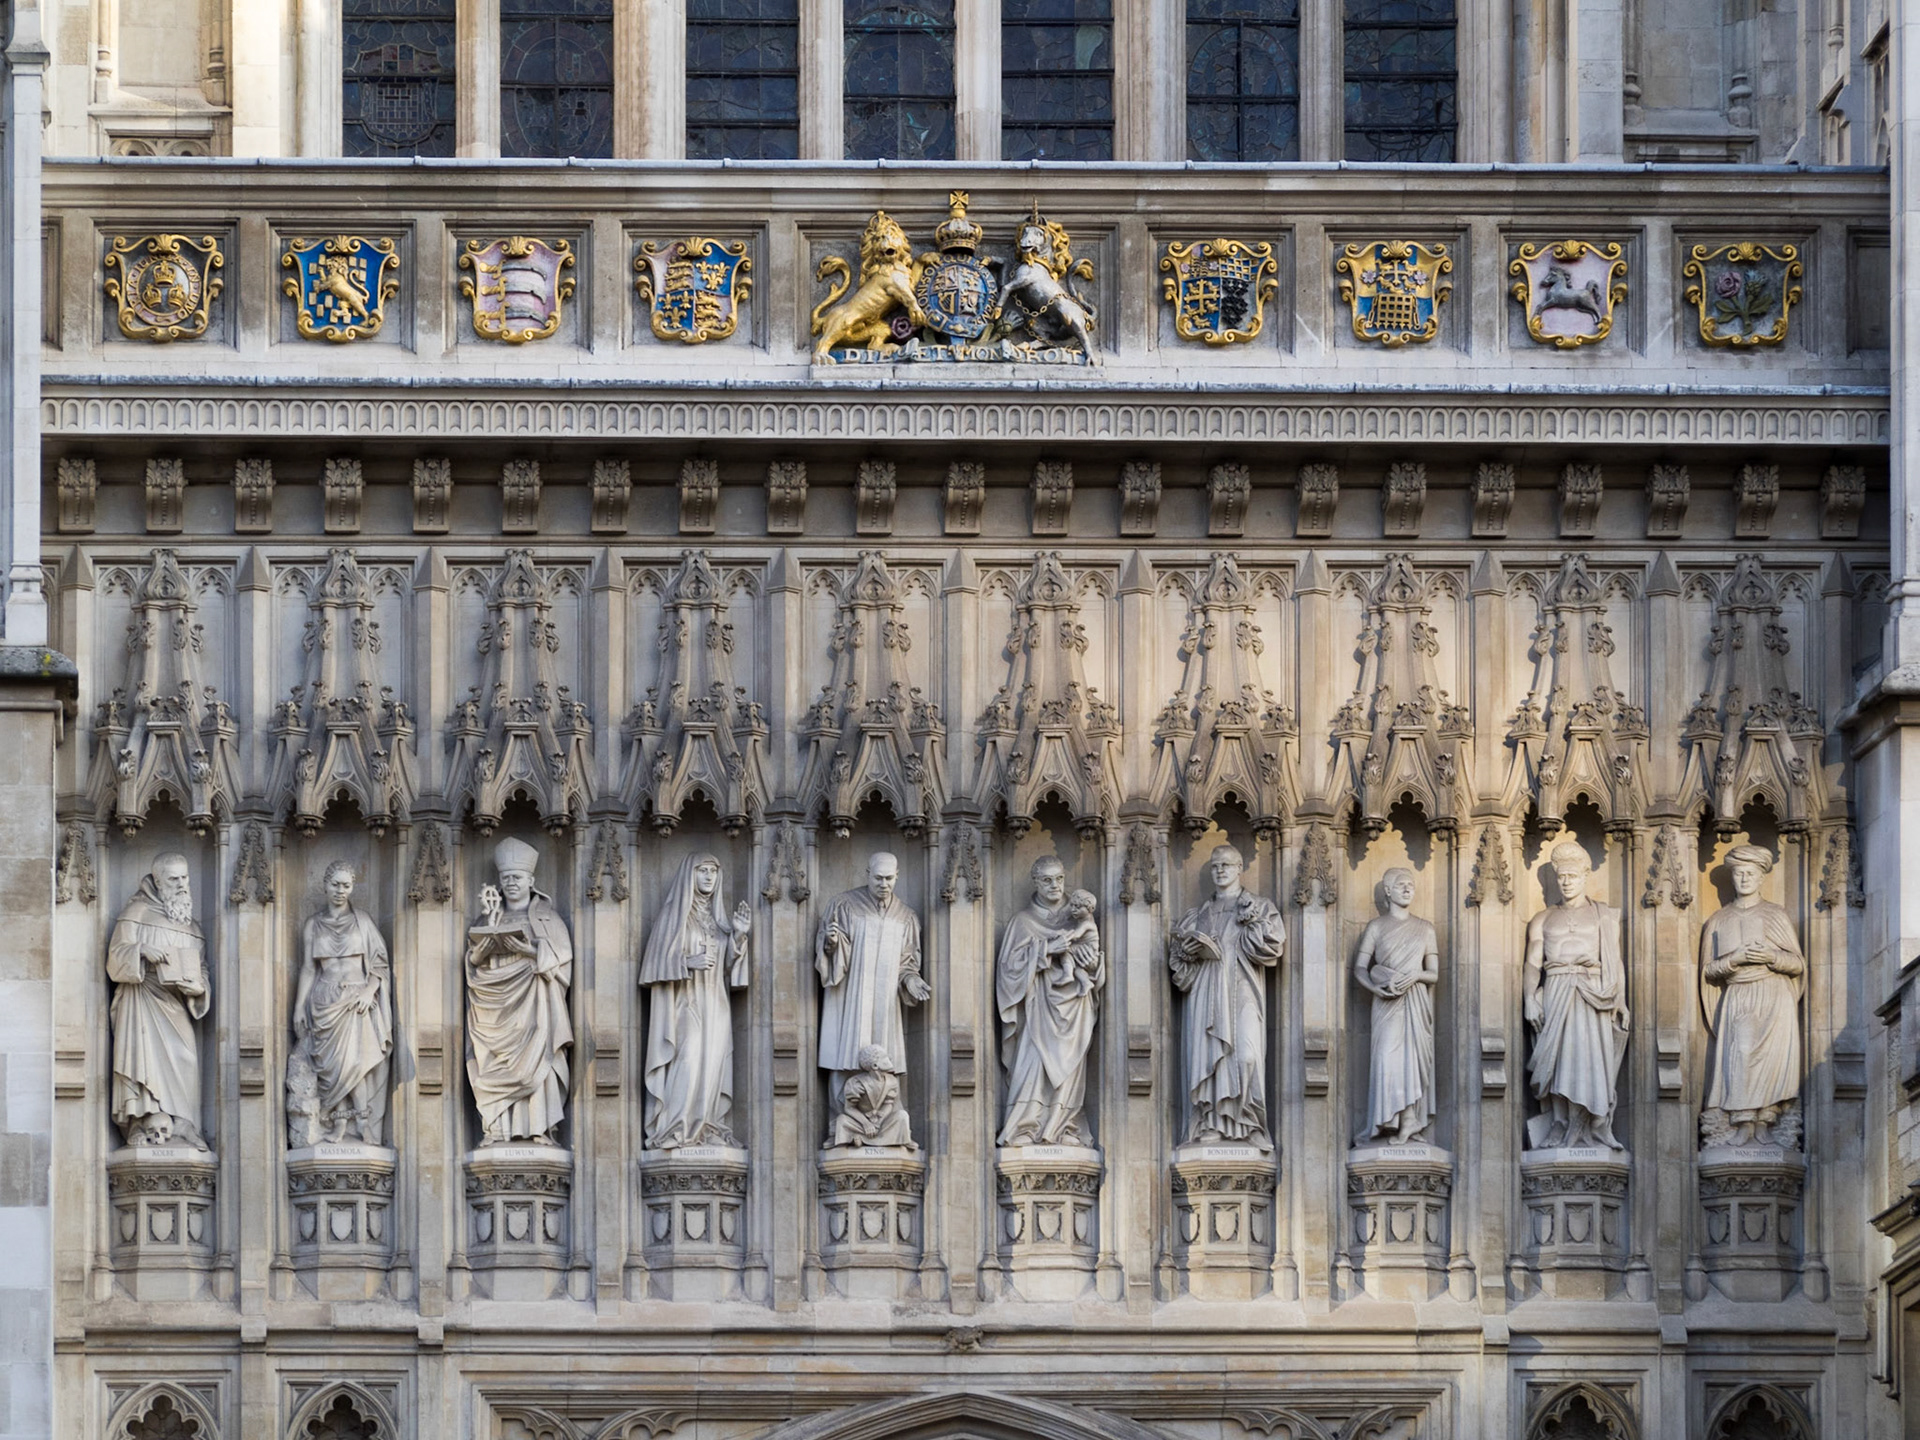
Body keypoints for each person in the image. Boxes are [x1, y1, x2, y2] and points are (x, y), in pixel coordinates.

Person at [1168, 844, 1285, 1147]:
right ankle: (1212, 1124)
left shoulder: (1258, 906)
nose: (1220, 870)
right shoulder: (1198, 914)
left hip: (1242, 990)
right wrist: (1188, 952)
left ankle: (1249, 1124)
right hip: (1207, 995)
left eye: (1226, 865)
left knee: (1246, 1056)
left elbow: (1273, 947)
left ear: (1239, 868)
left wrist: (1253, 926)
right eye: (1215, 865)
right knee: (1210, 1060)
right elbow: (1180, 971)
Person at [464, 837, 574, 1146]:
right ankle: (497, 1129)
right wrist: (480, 952)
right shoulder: (485, 919)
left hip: (534, 1009)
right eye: (505, 878)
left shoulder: (548, 919)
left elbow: (562, 964)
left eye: (517, 877)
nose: (511, 883)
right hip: (493, 1009)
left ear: (531, 880)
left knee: (536, 1063)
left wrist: (528, 950)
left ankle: (538, 1127)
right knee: (493, 1062)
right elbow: (472, 965)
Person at [639, 853, 751, 1150]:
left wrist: (738, 937)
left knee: (712, 1064)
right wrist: (688, 962)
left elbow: (729, 969)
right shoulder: (673, 916)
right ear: (690, 874)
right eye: (702, 870)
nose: (709, 877)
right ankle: (676, 1127)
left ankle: (706, 1126)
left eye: (714, 871)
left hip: (715, 1002)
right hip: (684, 1003)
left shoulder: (717, 919)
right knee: (687, 1059)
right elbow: (654, 965)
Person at [1523, 840, 1629, 1149]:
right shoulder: (1542, 919)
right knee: (1555, 1060)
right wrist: (1530, 997)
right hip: (1555, 988)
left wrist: (1619, 1000)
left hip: (1592, 992)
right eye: (1562, 877)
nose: (1567, 883)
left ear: (1586, 876)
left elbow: (1614, 962)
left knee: (1589, 1058)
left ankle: (1595, 1125)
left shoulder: (1603, 916)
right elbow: (1532, 963)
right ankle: (1559, 1123)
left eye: (1573, 876)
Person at [816, 852, 927, 1148]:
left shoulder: (906, 916)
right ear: (867, 874)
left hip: (886, 1004)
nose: (884, 884)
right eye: (878, 878)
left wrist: (912, 980)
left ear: (897, 877)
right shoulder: (843, 905)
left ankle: (888, 1130)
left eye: (889, 878)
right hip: (850, 1000)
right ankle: (840, 1126)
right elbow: (830, 955)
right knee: (846, 1057)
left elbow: (908, 963)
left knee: (884, 1062)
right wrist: (830, 944)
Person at [1699, 844, 1804, 1147]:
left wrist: (1772, 956)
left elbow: (1797, 964)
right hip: (1739, 994)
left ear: (1761, 878)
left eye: (1750, 873)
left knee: (1770, 1062)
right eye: (1739, 873)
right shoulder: (1719, 920)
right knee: (1741, 1054)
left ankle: (1765, 1123)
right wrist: (1735, 959)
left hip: (1773, 996)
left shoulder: (1775, 915)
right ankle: (1743, 1123)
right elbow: (1708, 971)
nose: (1744, 878)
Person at [996, 859, 1104, 1147]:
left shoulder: (1080, 918)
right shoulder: (1023, 921)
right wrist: (1045, 951)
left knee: (1069, 1069)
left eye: (1059, 879)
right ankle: (1025, 1127)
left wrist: (1092, 964)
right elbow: (1008, 971)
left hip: (1074, 1005)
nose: (1054, 886)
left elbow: (1096, 966)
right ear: (1035, 882)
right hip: (1037, 1007)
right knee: (1033, 1064)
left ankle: (1063, 1126)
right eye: (1047, 880)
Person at [107, 853, 210, 1149]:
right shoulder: (137, 912)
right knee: (144, 1062)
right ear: (158, 881)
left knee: (186, 1059)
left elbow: (201, 971)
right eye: (173, 879)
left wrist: (198, 988)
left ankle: (185, 1125)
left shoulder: (192, 927)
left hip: (175, 1005)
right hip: (141, 1002)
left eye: (185, 878)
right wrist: (141, 950)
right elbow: (115, 957)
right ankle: (143, 1123)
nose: (181, 884)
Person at [290, 860, 392, 1145]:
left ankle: (363, 1123)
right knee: (330, 1069)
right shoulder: (313, 925)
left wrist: (369, 991)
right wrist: (299, 1006)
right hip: (323, 1000)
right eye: (335, 884)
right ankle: (339, 1125)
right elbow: (309, 968)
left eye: (346, 885)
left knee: (354, 1065)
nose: (340, 890)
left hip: (355, 999)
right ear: (325, 885)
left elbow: (379, 965)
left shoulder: (363, 921)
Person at [1353, 867, 1439, 1144]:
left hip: (1414, 999)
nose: (1407, 889)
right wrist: (1375, 988)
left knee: (1411, 1060)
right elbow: (1360, 968)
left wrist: (1415, 975)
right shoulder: (1376, 927)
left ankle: (1410, 1120)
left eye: (1411, 885)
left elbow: (1433, 974)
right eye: (1401, 884)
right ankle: (1386, 1120)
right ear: (1387, 891)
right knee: (1386, 1060)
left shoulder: (1426, 928)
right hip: (1387, 1003)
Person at [829, 1044, 913, 1148]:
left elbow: (889, 1104)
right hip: (861, 1123)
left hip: (881, 1122)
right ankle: (858, 1136)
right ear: (875, 1066)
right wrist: (866, 1124)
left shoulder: (892, 1081)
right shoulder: (856, 1083)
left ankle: (862, 1138)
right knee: (842, 1120)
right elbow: (849, 1108)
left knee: (902, 1116)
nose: (890, 1058)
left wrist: (878, 1123)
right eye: (885, 1057)